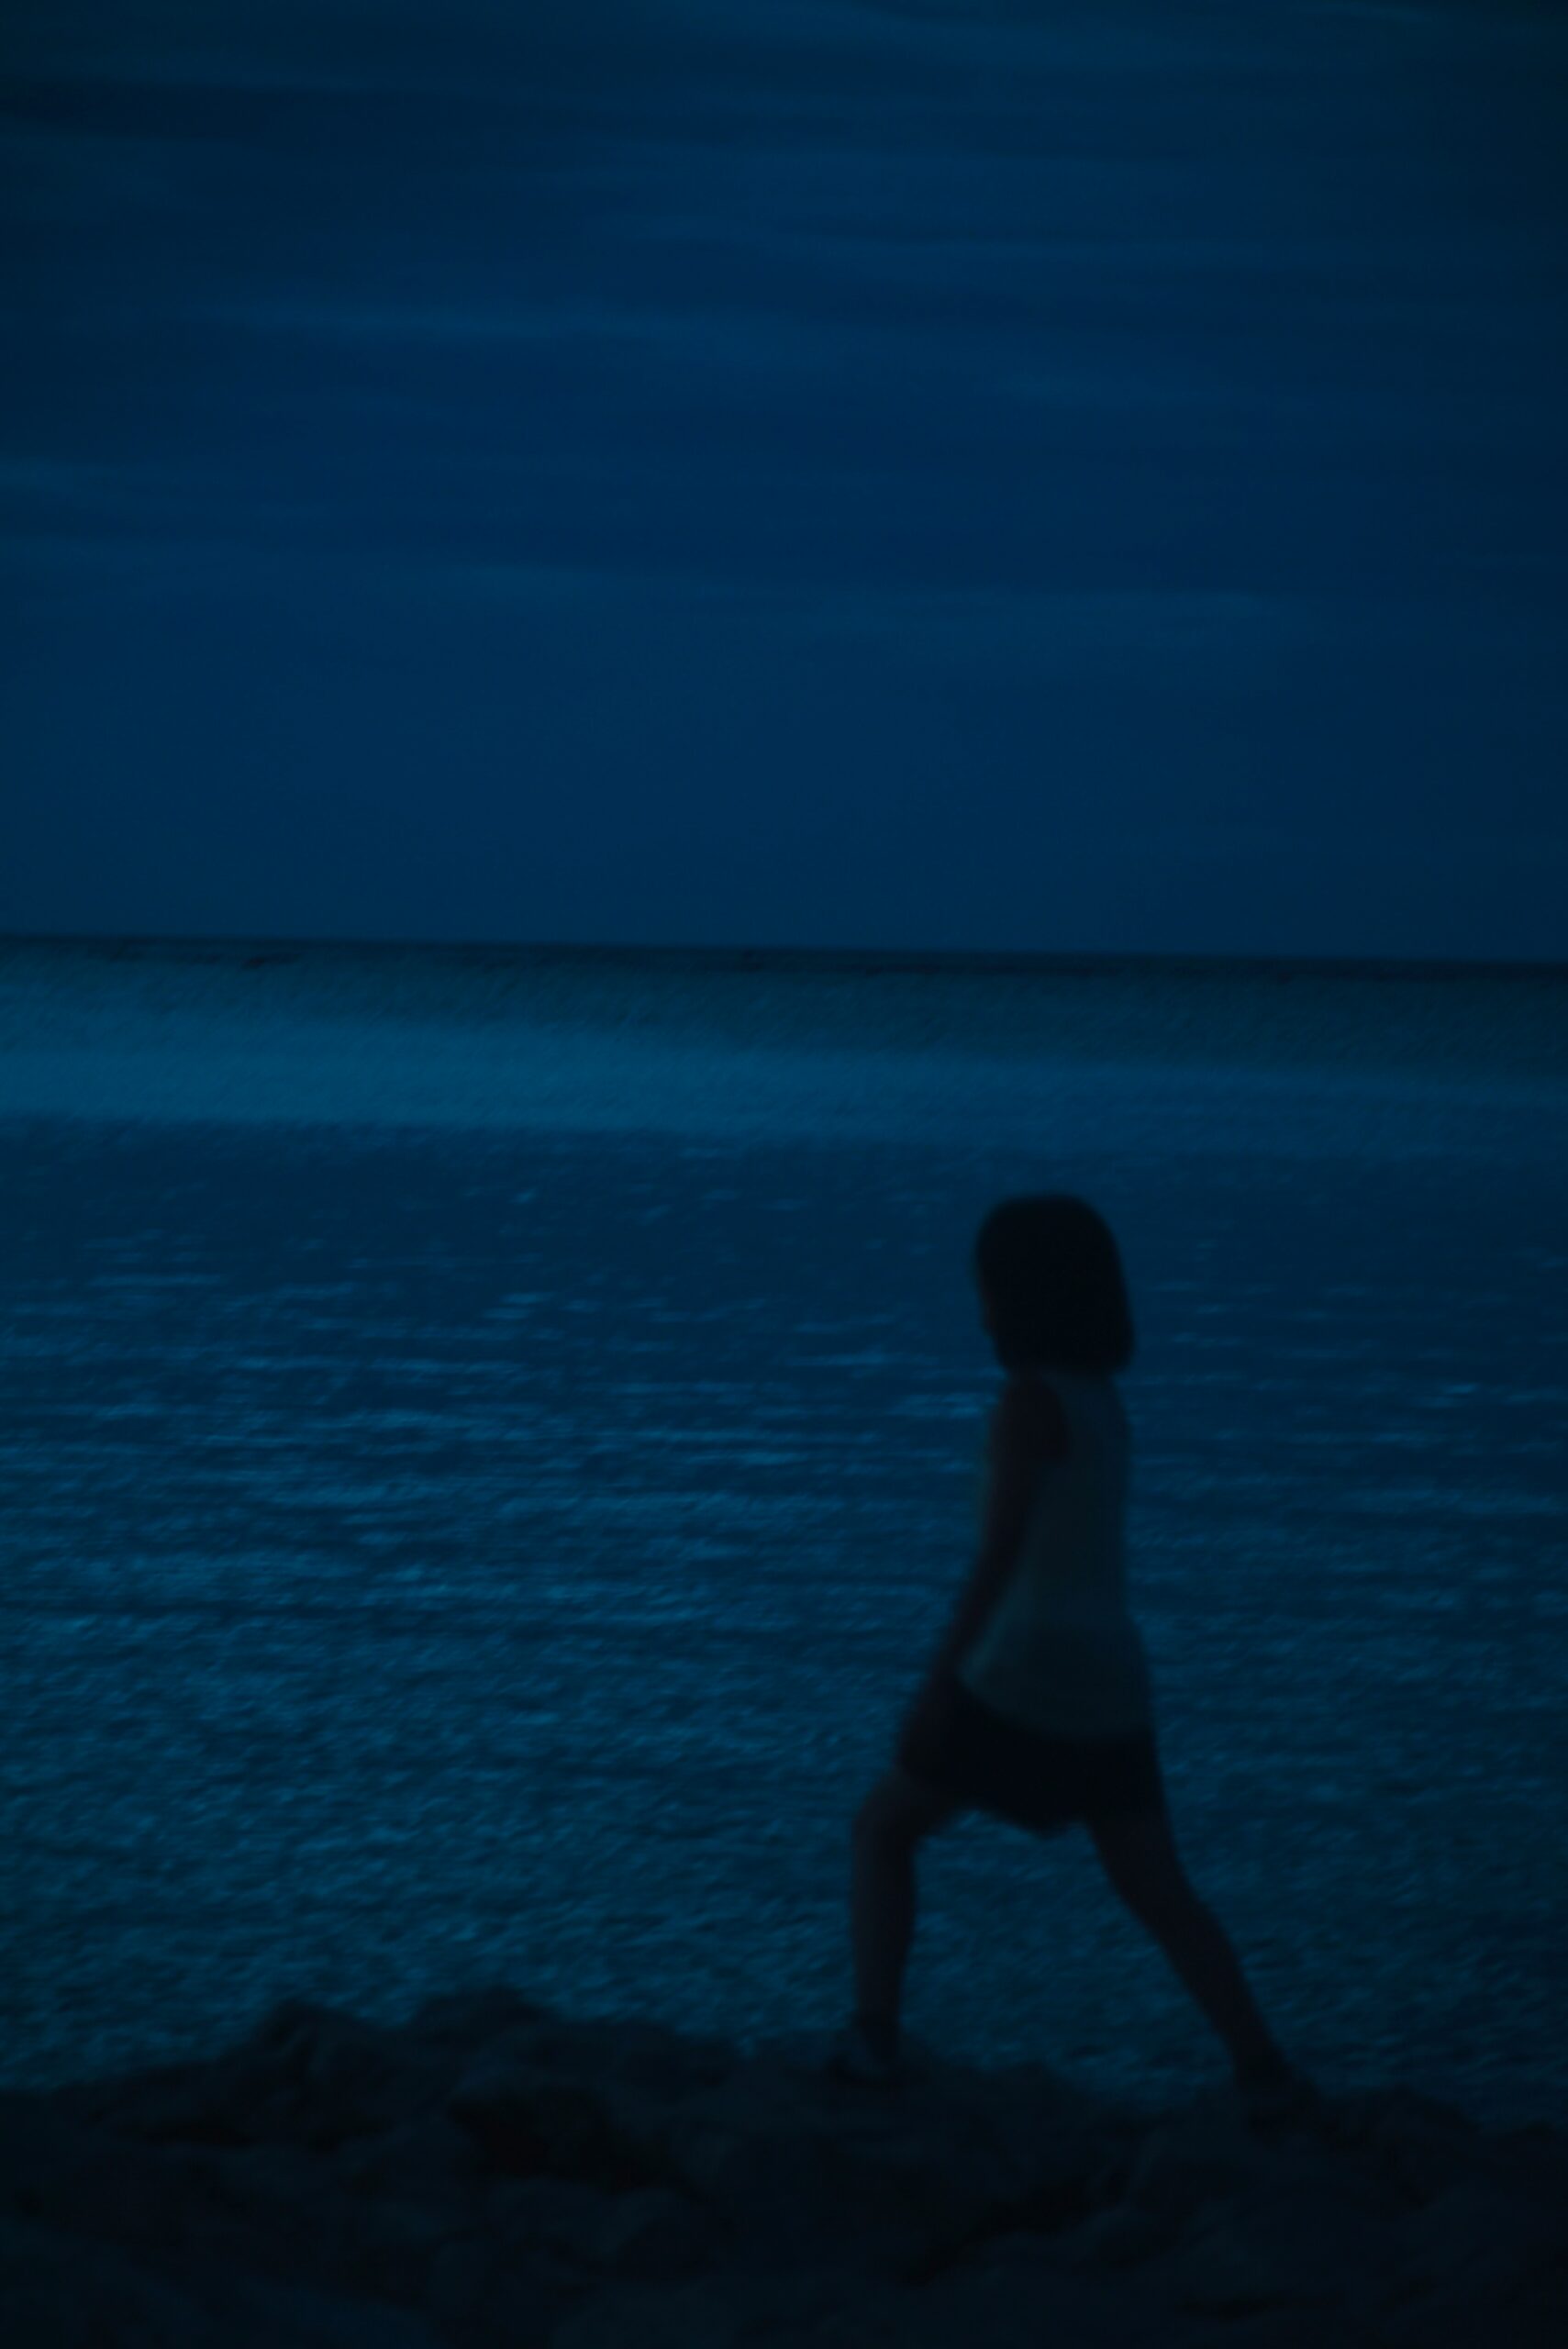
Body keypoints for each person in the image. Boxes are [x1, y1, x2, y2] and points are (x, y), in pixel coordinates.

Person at [826, 1193, 1317, 2125]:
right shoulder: (1101, 1401)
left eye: (980, 1286)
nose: (975, 1303)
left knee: (882, 1830)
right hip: (1111, 1679)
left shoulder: (1028, 1404)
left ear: (1011, 1297)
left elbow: (1000, 1554)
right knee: (1156, 1887)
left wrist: (938, 1681)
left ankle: (872, 2043)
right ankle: (1264, 2070)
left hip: (1024, 1671)